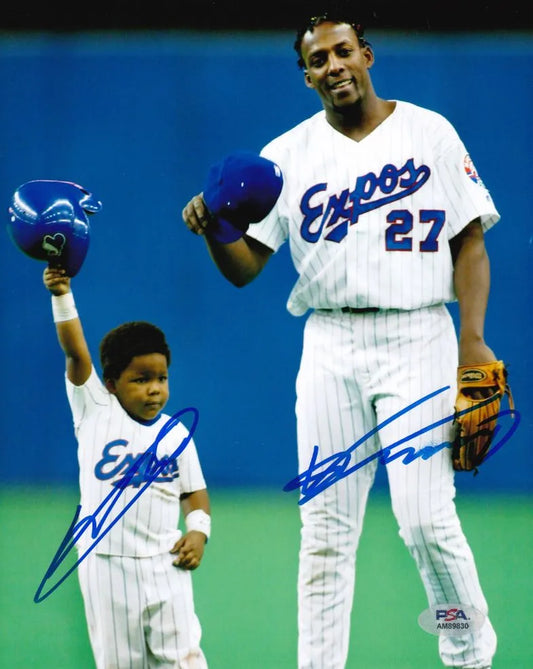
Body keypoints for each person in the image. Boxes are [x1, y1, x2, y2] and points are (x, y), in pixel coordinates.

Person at [182, 10, 500, 669]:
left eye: (342, 51)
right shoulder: (287, 155)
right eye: (317, 60)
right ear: (306, 76)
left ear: (367, 55)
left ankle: (469, 650)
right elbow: (247, 269)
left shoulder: (428, 133)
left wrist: (472, 339)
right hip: (329, 346)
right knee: (324, 532)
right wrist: (215, 225)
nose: (332, 65)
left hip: (420, 336)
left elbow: (469, 241)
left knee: (423, 519)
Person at [43, 265, 210, 669]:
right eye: (140, 379)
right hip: (106, 566)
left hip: (165, 563)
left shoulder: (176, 433)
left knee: (185, 659)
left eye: (161, 377)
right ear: (111, 383)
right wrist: (62, 293)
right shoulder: (95, 411)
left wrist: (199, 531)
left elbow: (194, 493)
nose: (155, 387)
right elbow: (75, 351)